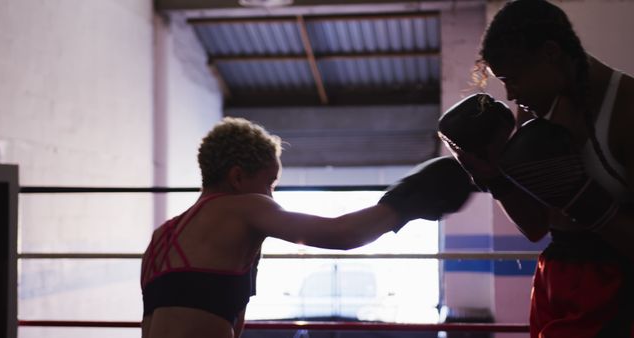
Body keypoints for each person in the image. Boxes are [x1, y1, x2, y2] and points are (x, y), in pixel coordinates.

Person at [140, 116, 473, 338]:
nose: (271, 194)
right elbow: (343, 234)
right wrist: (404, 204)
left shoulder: (162, 237)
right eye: (270, 183)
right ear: (238, 177)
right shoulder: (245, 206)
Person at [441, 1, 633, 337]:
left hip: (620, 288)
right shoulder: (534, 110)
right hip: (556, 281)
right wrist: (493, 177)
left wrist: (584, 202)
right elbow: (535, 226)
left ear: (550, 53)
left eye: (513, 79)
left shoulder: (627, 110)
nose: (511, 95)